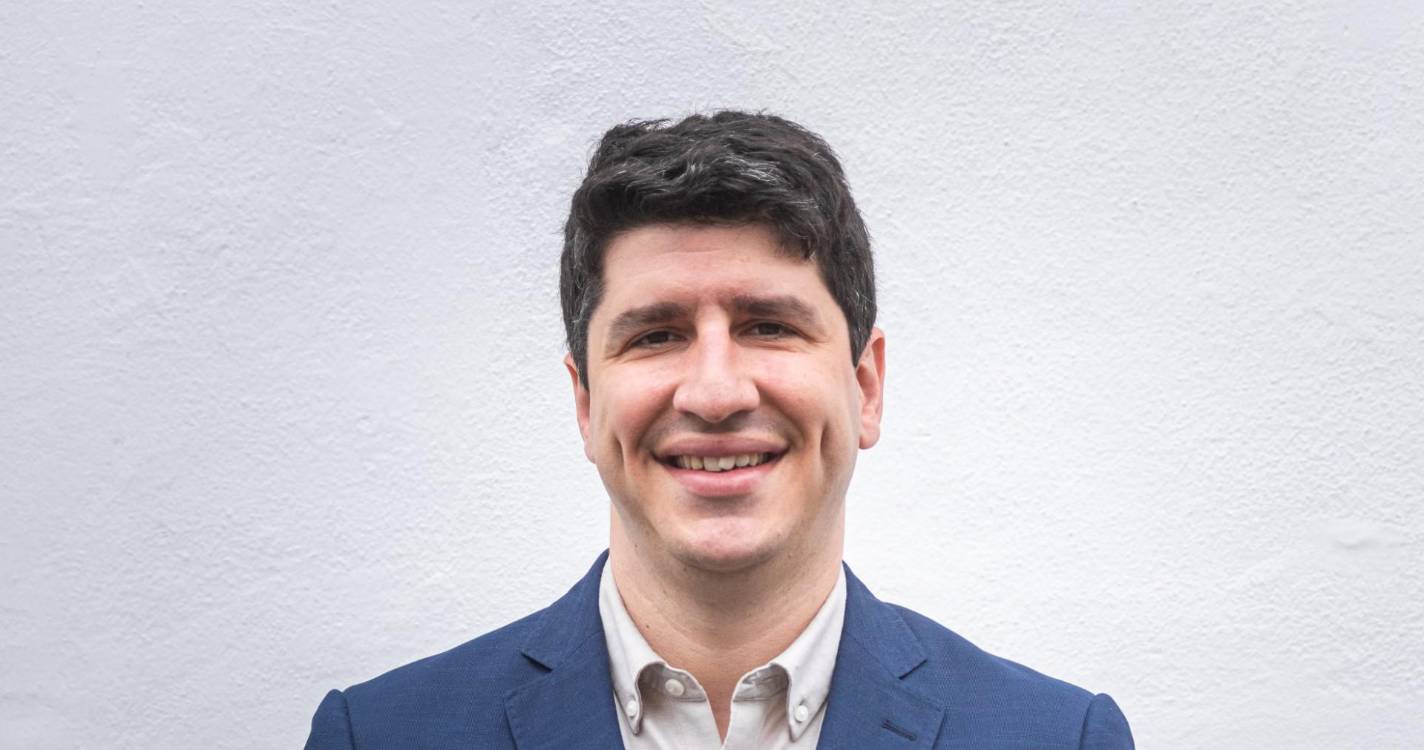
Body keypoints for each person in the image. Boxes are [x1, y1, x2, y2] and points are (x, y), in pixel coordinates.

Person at [304, 111, 1135, 749]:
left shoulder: (1058, 739)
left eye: (769, 326)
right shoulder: (379, 736)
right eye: (655, 335)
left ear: (866, 386)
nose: (714, 392)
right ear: (586, 403)